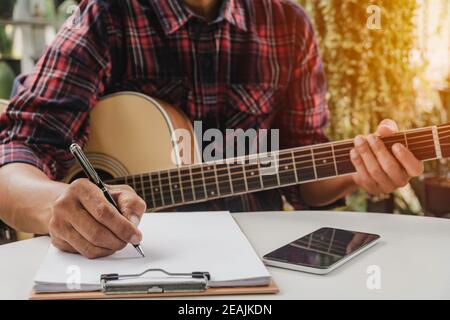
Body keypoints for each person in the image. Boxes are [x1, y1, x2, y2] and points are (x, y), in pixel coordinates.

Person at [0, 0, 423, 259]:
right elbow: (18, 153)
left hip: (262, 263)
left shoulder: (289, 26)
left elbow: (304, 180)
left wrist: (359, 169)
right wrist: (60, 205)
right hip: (131, 264)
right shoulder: (106, 15)